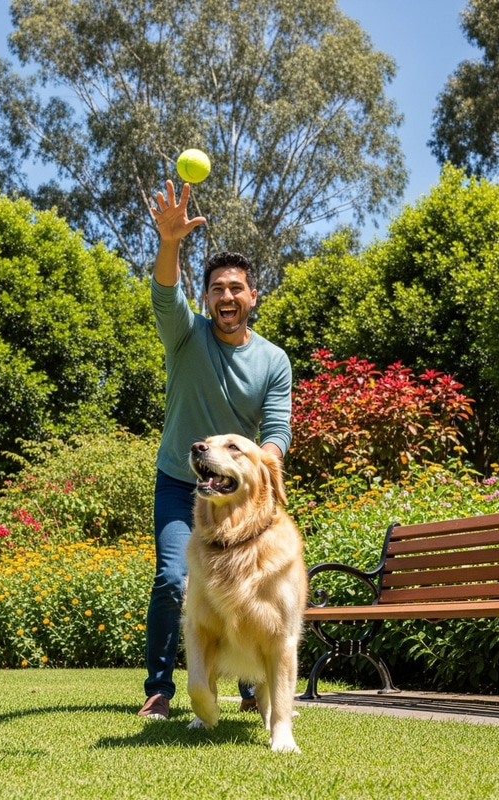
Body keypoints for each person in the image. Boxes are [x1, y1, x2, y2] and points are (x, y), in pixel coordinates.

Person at [138, 181, 293, 720]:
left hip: (241, 492)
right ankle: (159, 690)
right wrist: (170, 242)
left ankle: (251, 686)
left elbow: (277, 432)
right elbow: (163, 294)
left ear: (253, 296)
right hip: (181, 486)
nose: (226, 297)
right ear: (206, 299)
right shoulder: (186, 336)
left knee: (249, 584)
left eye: (236, 288)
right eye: (217, 289)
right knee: (173, 579)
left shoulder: (274, 361)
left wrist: (257, 475)